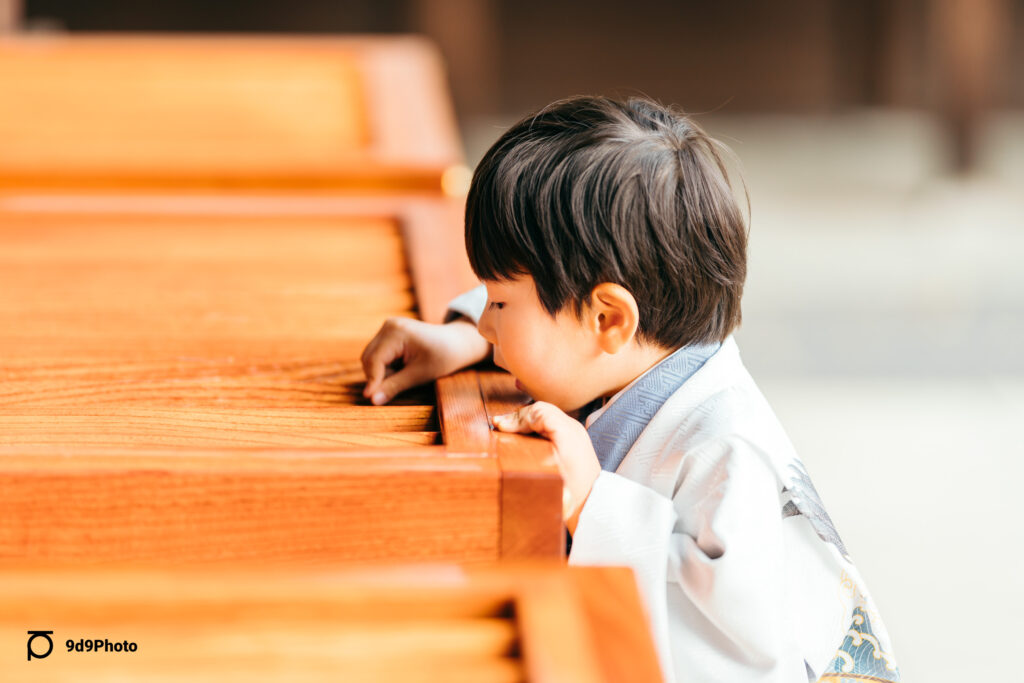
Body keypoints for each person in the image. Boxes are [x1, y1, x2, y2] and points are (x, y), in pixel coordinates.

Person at [360, 95, 899, 683]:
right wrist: (464, 338)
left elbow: (737, 645)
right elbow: (559, 329)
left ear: (610, 319)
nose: (488, 319)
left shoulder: (727, 452)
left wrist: (592, 501)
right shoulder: (644, 351)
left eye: (498, 302)